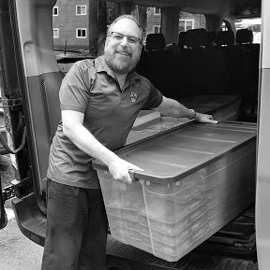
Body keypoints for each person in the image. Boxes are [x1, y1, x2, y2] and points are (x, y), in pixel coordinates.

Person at [41, 14, 218, 270]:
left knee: (92, 256)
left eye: (133, 40)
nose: (125, 44)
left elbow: (169, 106)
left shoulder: (141, 86)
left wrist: (195, 114)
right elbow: (71, 127)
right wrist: (113, 160)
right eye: (118, 36)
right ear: (106, 42)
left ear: (139, 50)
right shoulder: (83, 73)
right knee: (62, 258)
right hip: (68, 179)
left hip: (102, 180)